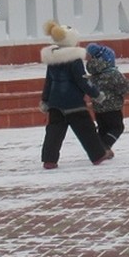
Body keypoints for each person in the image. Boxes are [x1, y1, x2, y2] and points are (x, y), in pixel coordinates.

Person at [40, 20, 110, 167]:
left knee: (54, 132)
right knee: (86, 130)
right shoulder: (74, 59)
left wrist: (45, 100)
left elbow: (49, 81)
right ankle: (97, 155)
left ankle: (49, 159)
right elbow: (82, 81)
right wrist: (96, 94)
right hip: (74, 103)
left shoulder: (52, 59)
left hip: (55, 102)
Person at [86, 43, 129, 157]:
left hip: (98, 107)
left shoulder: (93, 75)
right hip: (112, 107)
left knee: (103, 129)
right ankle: (103, 147)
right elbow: (123, 89)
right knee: (117, 127)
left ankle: (99, 148)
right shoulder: (113, 74)